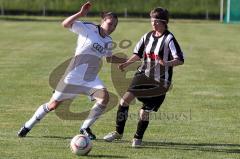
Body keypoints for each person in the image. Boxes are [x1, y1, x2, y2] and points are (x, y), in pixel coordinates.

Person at [17, 1, 126, 140]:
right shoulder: (88, 28)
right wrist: (80, 14)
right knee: (53, 105)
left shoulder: (108, 41)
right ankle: (27, 126)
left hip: (90, 78)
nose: (112, 27)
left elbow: (110, 58)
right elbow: (65, 24)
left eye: (115, 25)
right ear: (103, 21)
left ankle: (85, 128)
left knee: (104, 97)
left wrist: (129, 60)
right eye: (110, 23)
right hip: (73, 76)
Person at [103, 7, 184, 147]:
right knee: (124, 101)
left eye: (156, 21)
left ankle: (137, 138)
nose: (153, 24)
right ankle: (118, 132)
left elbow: (180, 59)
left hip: (160, 81)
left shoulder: (169, 39)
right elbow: (138, 54)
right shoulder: (146, 36)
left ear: (164, 22)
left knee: (144, 112)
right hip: (143, 75)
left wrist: (166, 63)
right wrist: (127, 63)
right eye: (152, 20)